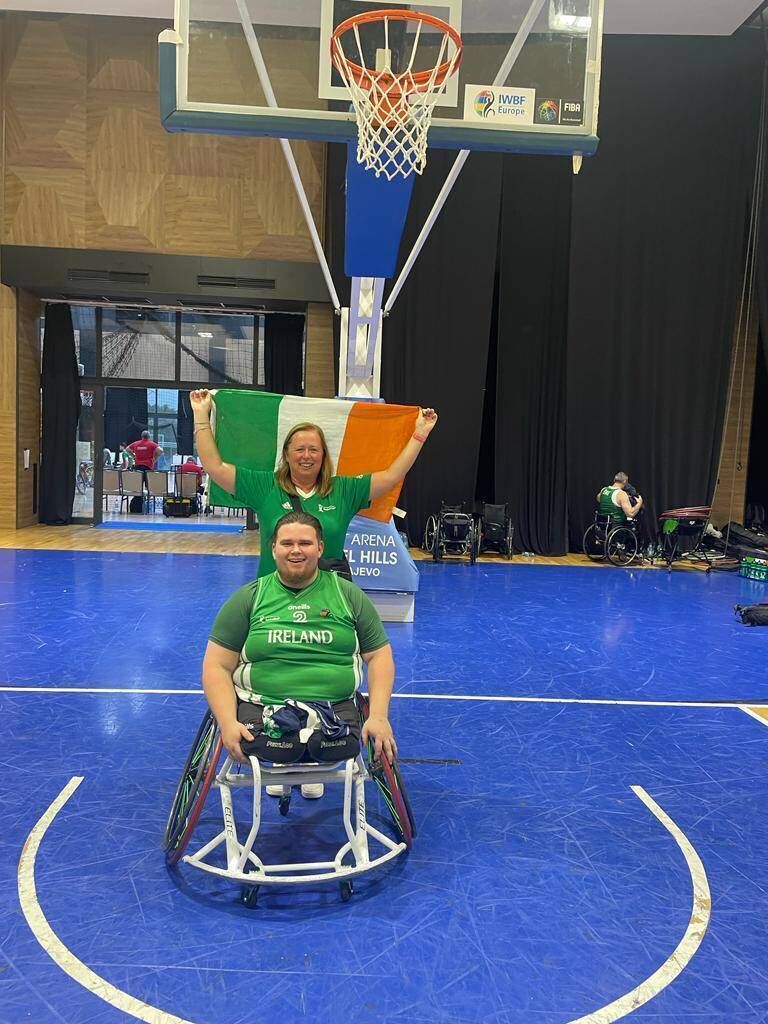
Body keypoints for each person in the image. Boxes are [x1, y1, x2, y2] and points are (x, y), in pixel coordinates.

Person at [202, 511, 396, 799]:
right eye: (287, 543)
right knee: (279, 745)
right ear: (273, 548)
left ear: (320, 548)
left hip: (334, 707)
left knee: (328, 746)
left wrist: (379, 715)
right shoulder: (249, 598)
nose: (295, 550)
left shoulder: (349, 595)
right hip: (263, 707)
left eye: (305, 543)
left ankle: (303, 762)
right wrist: (228, 722)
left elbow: (380, 656)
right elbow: (216, 665)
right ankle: (290, 760)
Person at [190, 388, 437, 578]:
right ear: (286, 454)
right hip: (273, 598)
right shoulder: (265, 486)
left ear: (323, 455)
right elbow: (215, 467)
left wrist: (420, 434)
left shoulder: (344, 490)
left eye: (313, 450)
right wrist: (201, 415)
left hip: (326, 603)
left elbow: (392, 475)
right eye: (299, 449)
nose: (306, 456)